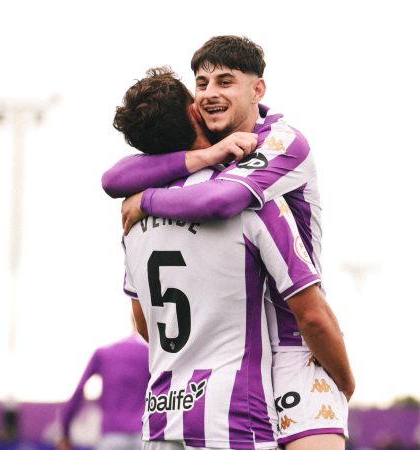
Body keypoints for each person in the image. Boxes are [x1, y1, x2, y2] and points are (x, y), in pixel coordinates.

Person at [104, 36, 350, 449]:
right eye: (201, 84)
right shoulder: (201, 161)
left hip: (293, 347)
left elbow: (222, 200)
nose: (210, 93)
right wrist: (209, 155)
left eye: (225, 81)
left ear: (258, 90)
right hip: (229, 360)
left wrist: (145, 201)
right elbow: (112, 179)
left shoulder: (282, 140)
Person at [57, 328, 149, 450]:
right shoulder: (149, 354)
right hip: (142, 437)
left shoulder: (104, 353)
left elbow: (79, 390)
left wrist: (65, 432)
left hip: (111, 437)